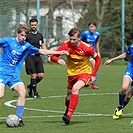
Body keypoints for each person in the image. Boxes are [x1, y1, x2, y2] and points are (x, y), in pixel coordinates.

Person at [0, 24, 69, 127]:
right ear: (17, 34)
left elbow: (42, 51)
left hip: (13, 74)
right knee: (0, 95)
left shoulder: (26, 46)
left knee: (22, 92)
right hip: (2, 72)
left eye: (25, 36)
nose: (23, 38)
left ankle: (18, 119)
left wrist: (59, 52)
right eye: (21, 35)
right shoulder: (8, 41)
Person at [51, 27, 101, 125]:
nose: (72, 41)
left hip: (84, 73)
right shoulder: (66, 45)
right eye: (70, 39)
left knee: (75, 88)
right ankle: (68, 109)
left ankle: (69, 115)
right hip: (71, 74)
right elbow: (53, 56)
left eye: (74, 39)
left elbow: (98, 59)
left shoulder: (87, 48)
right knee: (68, 99)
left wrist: (93, 74)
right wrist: (58, 60)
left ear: (79, 38)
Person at [104, 46, 133, 119]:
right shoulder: (132, 47)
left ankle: (121, 107)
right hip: (131, 70)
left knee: (129, 96)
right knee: (124, 88)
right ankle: (120, 107)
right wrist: (112, 59)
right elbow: (126, 55)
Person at [25, 18, 47, 98]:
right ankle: (35, 93)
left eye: (34, 25)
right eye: (32, 25)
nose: (33, 26)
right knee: (33, 75)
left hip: (38, 57)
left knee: (41, 76)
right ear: (30, 25)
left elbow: (43, 45)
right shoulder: (27, 35)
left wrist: (48, 53)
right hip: (30, 57)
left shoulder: (40, 35)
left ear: (37, 25)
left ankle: (30, 86)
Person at [80, 22, 100, 89]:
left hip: (92, 53)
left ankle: (93, 84)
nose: (92, 28)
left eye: (93, 27)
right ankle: (84, 81)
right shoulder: (84, 34)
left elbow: (97, 43)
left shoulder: (97, 34)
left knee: (95, 66)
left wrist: (98, 52)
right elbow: (79, 42)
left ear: (95, 28)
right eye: (91, 27)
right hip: (84, 54)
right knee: (84, 68)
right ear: (88, 27)